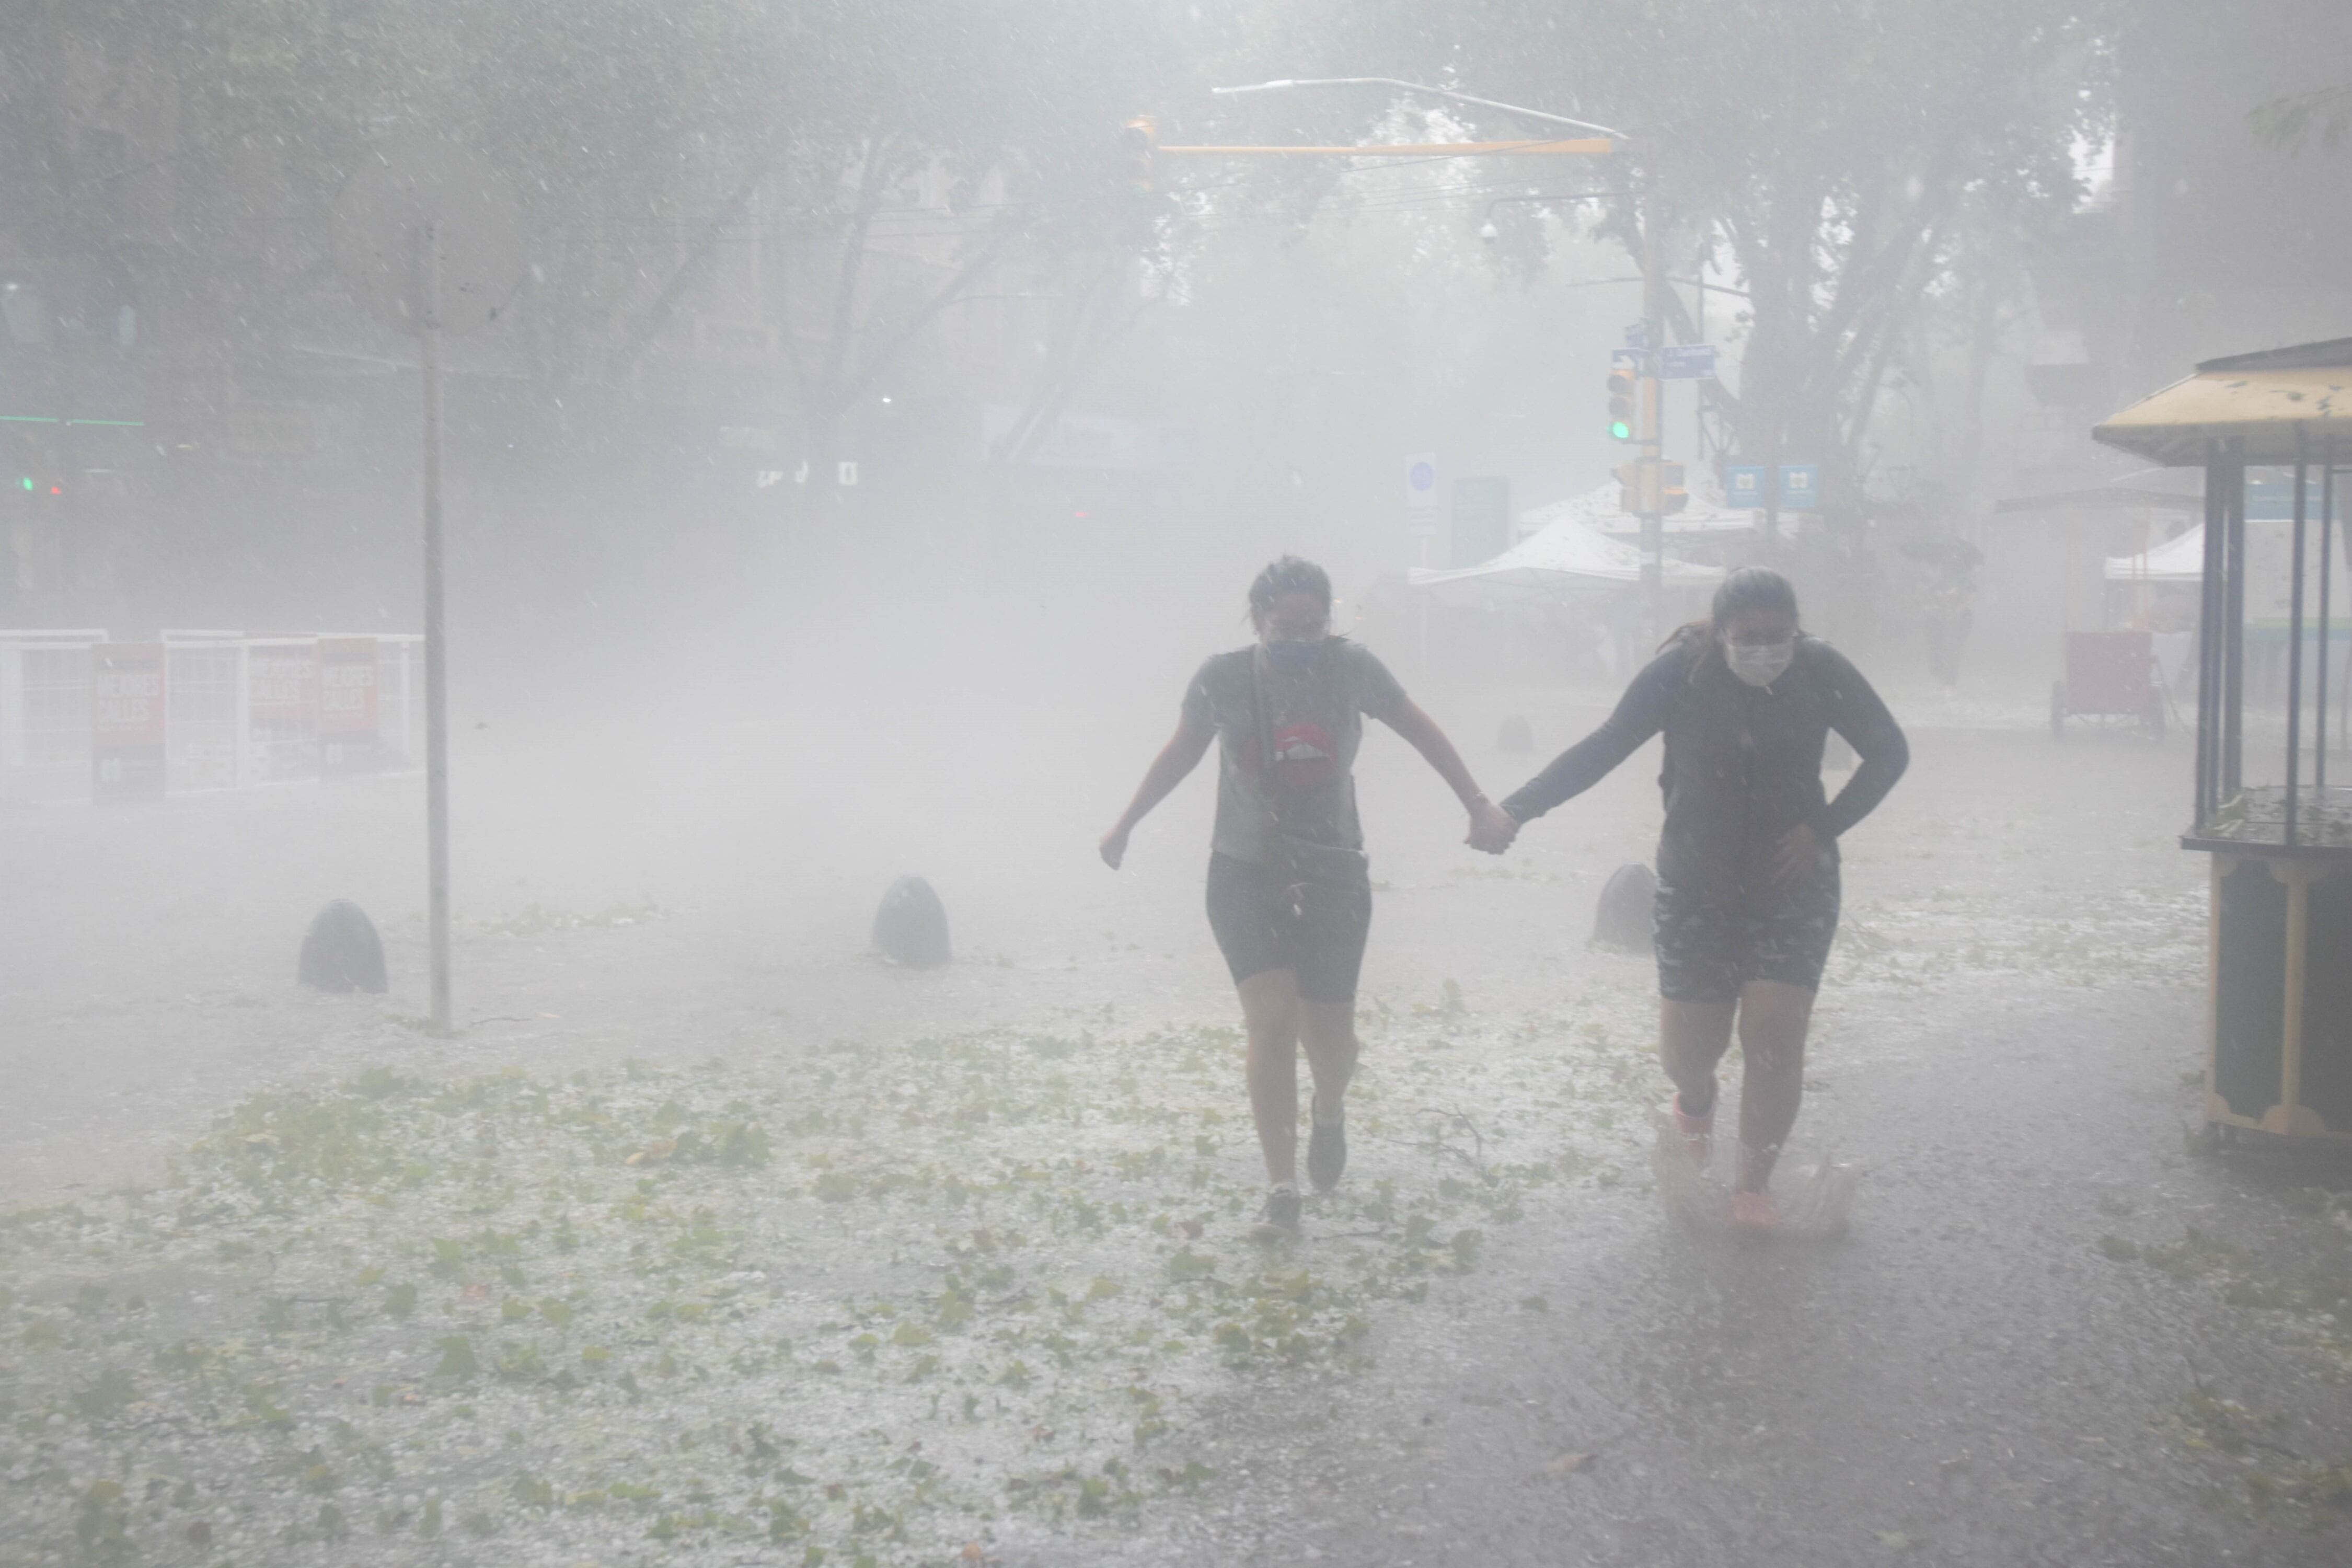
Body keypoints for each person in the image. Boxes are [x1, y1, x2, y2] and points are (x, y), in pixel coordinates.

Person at [1474, 567, 1907, 1230]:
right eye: (1748, 636)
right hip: (1696, 881)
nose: (1764, 648)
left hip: (1792, 882)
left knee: (1773, 1036)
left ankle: (1752, 1189)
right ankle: (1697, 1102)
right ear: (1721, 631)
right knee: (1687, 1054)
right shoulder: (1681, 674)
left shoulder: (1820, 670)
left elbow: (1889, 752)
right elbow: (1604, 748)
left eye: (1777, 635)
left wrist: (1823, 828)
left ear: (1796, 629)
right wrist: (1517, 809)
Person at [1100, 557, 1517, 1238]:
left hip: (1334, 872)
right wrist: (1125, 824)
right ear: (1257, 619)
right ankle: (1281, 1189)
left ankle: (1329, 1110)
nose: (1298, 635)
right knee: (1271, 1021)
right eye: (1282, 623)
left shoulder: (1353, 669)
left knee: (1331, 1041)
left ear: (1329, 620)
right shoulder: (1223, 679)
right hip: (1243, 871)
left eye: (1312, 624)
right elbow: (1180, 753)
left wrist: (1477, 803)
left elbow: (1421, 730)